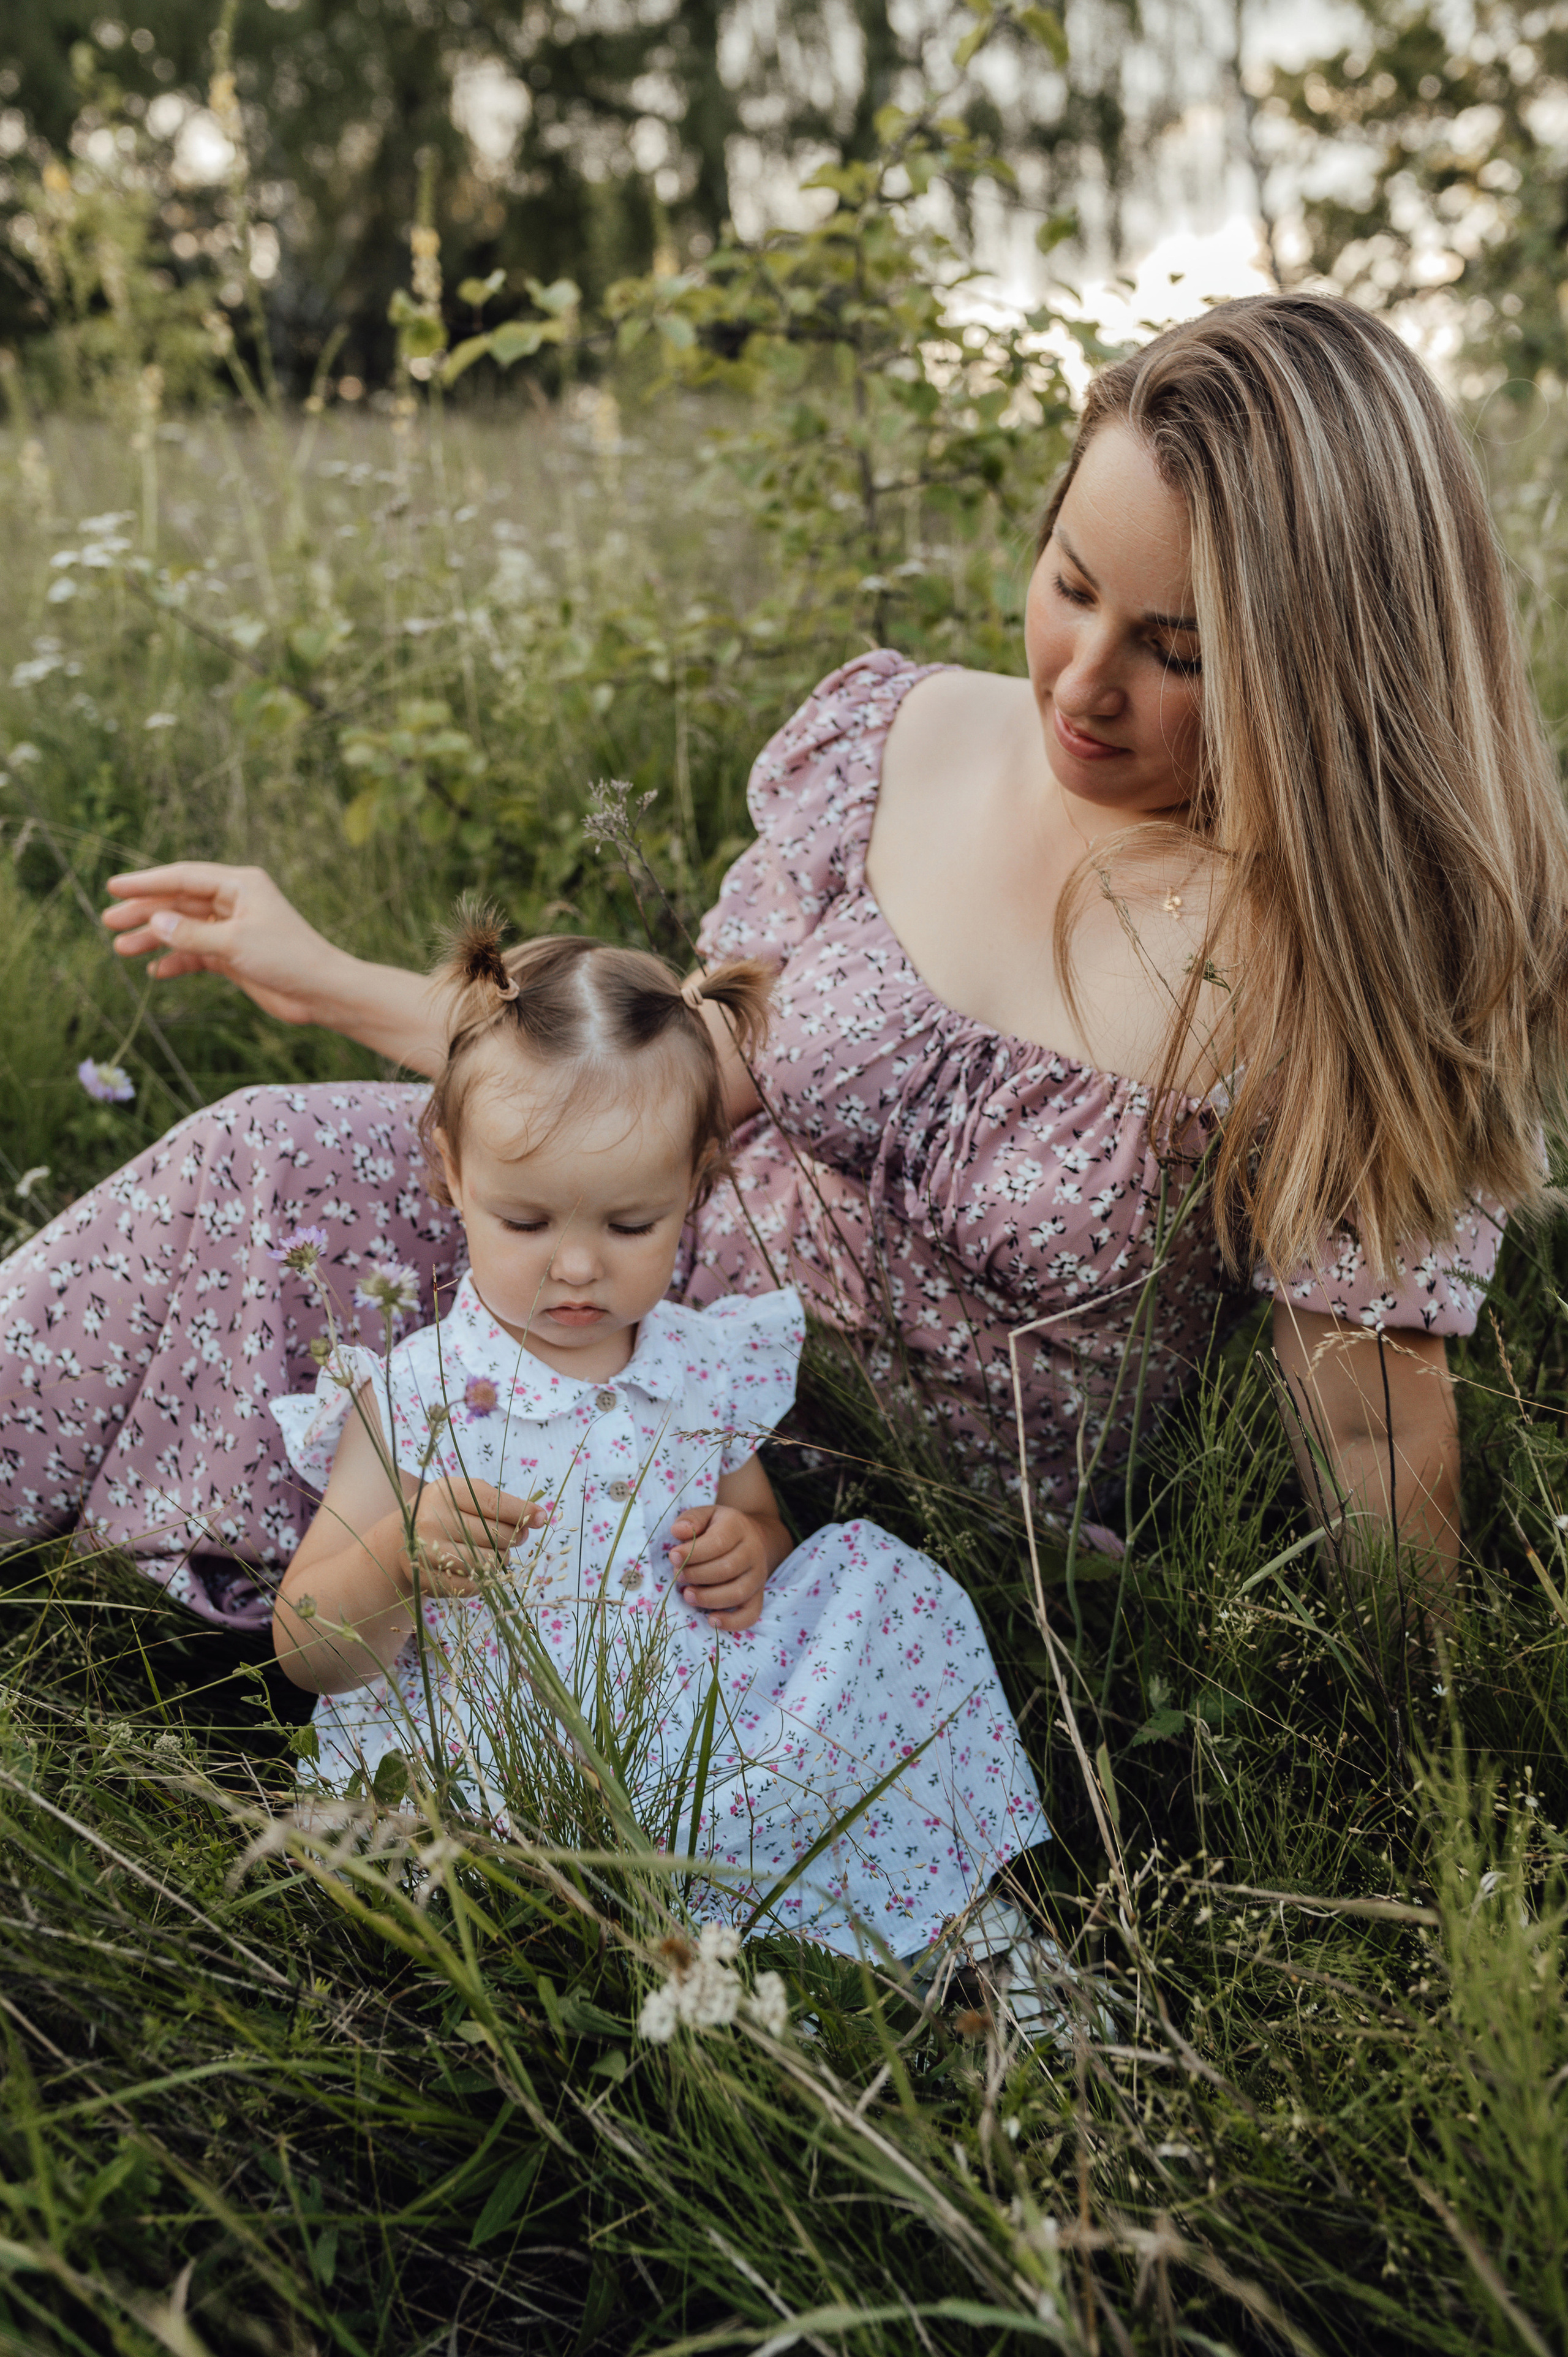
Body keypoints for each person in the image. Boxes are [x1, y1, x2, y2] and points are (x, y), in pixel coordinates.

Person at [4, 291, 1566, 1625]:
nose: (1080, 683)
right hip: (613, 1286)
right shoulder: (905, 734)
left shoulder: (1341, 964)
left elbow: (1368, 1437)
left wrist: (1406, 1748)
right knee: (261, 1162)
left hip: (808, 1513)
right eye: (1069, 585)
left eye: (1179, 652)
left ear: (1323, 666)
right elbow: (663, 1081)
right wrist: (320, 970)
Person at [266, 917, 1049, 1958]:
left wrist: (747, 1553)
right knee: (508, 1880)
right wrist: (397, 1560)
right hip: (502, 1746)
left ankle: (951, 1922)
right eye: (528, 1223)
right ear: (452, 1175)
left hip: (699, 1708)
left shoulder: (698, 1363)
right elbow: (304, 1644)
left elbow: (759, 1518)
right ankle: (715, 1932)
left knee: (885, 1590)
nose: (579, 1267)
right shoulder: (418, 1394)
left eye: (629, 1226)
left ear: (697, 1183)